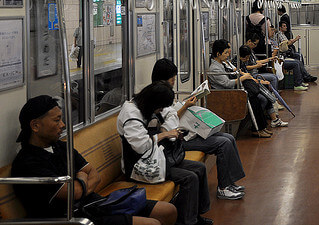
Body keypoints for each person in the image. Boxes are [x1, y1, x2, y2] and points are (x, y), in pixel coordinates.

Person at [12, 95, 177, 225]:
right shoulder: (28, 163)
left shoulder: (60, 147)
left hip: (96, 204)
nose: (62, 125)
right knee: (152, 223)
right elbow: (74, 193)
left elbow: (94, 175)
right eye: (57, 120)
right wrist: (82, 176)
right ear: (35, 126)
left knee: (168, 211)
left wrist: (80, 181)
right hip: (75, 216)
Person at [151, 58, 246, 200]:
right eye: (172, 78)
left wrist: (186, 103)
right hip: (178, 139)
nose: (174, 81)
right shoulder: (158, 95)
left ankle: (230, 182)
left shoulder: (166, 92)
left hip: (187, 132)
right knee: (223, 143)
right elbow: (167, 123)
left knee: (228, 137)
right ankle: (223, 188)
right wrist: (185, 106)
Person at [118, 83, 212, 225]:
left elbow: (170, 112)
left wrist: (165, 130)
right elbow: (141, 146)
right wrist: (165, 134)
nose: (161, 110)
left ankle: (197, 215)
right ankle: (187, 222)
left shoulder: (145, 105)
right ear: (153, 102)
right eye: (160, 107)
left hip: (156, 157)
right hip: (138, 166)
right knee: (190, 178)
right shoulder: (131, 115)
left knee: (200, 168)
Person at [208, 39, 278, 137]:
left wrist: (244, 74)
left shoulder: (224, 62)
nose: (228, 55)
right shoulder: (215, 68)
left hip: (234, 90)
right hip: (226, 94)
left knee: (258, 98)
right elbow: (227, 84)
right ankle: (258, 129)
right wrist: (243, 78)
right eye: (225, 53)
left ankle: (261, 128)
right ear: (218, 53)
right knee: (256, 99)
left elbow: (235, 70)